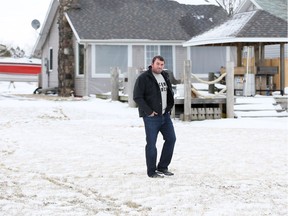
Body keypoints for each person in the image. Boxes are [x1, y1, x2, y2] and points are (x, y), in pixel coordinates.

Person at [133, 55, 176, 178]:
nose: (160, 66)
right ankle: (151, 171)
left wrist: (169, 108)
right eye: (158, 64)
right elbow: (137, 97)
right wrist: (149, 111)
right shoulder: (143, 78)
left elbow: (168, 93)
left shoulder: (165, 76)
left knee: (171, 139)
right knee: (151, 144)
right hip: (151, 117)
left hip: (165, 116)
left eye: (162, 64)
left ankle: (162, 167)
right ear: (152, 64)